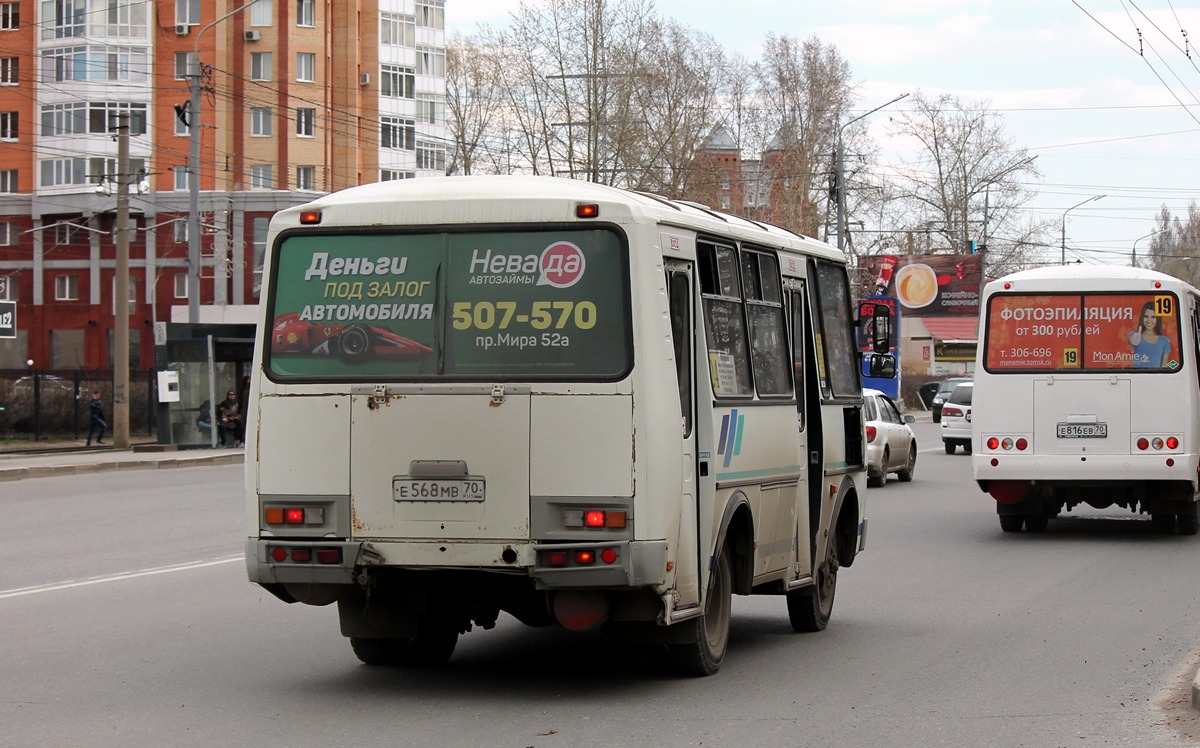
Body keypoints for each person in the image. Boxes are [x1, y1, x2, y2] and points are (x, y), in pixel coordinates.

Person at [1128, 300, 1171, 368]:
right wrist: (1133, 340)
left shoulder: (1165, 341)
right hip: (1137, 377)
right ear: (1142, 317)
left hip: (1155, 378)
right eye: (1146, 316)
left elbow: (1164, 366)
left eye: (1153, 317)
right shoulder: (1135, 335)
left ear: (1158, 319)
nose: (1149, 321)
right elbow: (1131, 339)